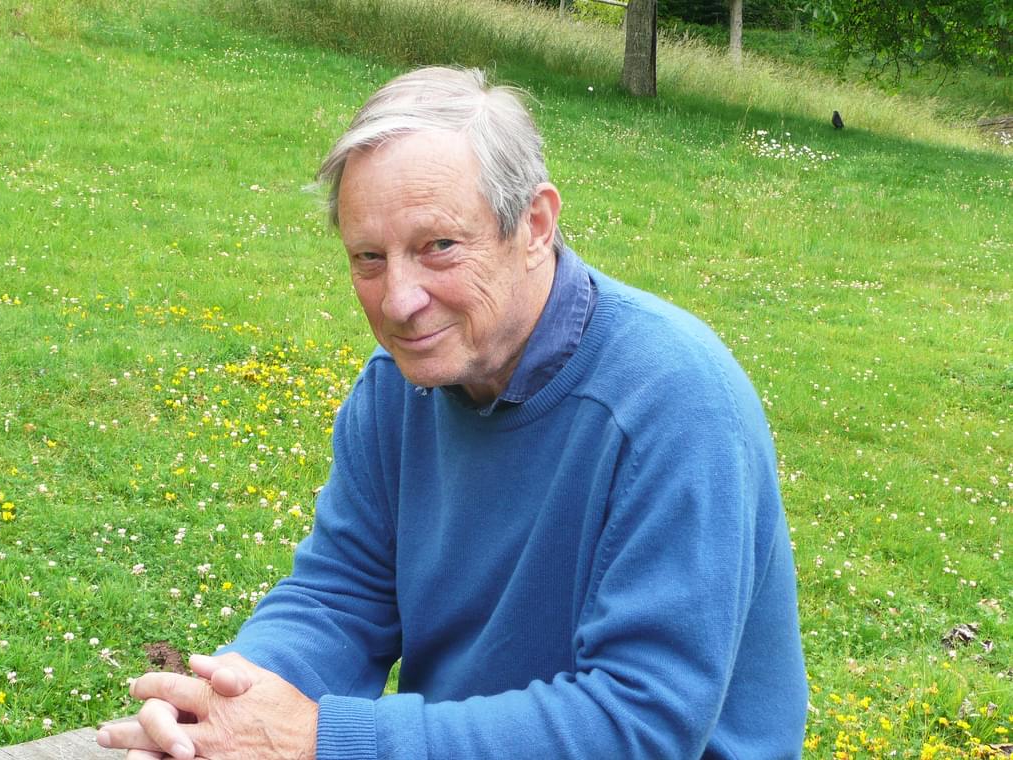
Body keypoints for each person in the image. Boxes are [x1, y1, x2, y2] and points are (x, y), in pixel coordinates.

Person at [97, 65, 808, 760]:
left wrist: (322, 740)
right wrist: (228, 700)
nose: (399, 300)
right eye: (368, 258)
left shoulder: (674, 400)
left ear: (534, 224)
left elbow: (642, 722)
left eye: (437, 246)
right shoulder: (397, 390)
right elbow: (341, 597)